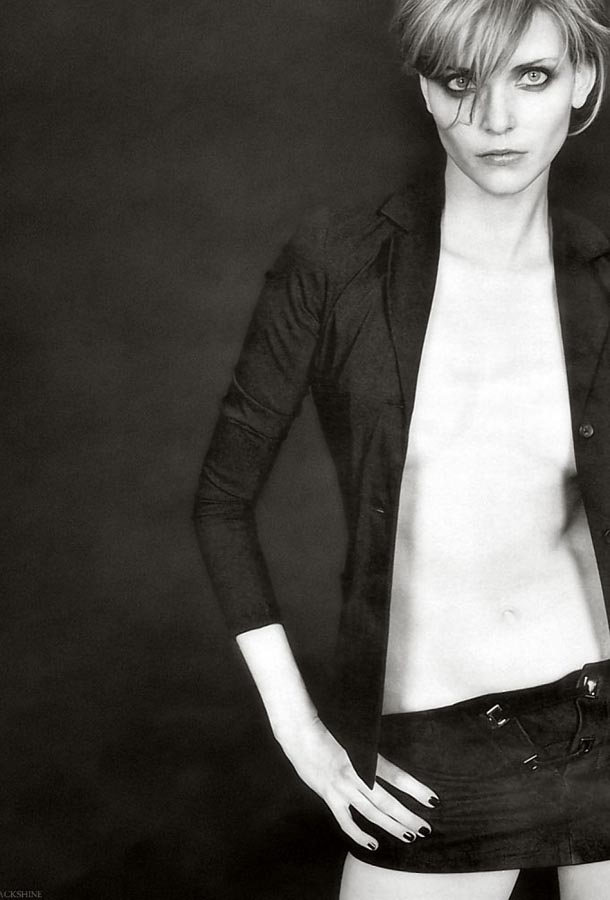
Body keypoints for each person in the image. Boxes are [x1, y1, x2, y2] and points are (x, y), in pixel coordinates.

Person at [194, 0, 610, 896]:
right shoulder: (339, 262)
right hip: (438, 749)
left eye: (532, 76)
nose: (495, 117)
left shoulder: (602, 274)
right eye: (461, 81)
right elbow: (222, 502)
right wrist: (302, 730)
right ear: (425, 90)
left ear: (582, 80)